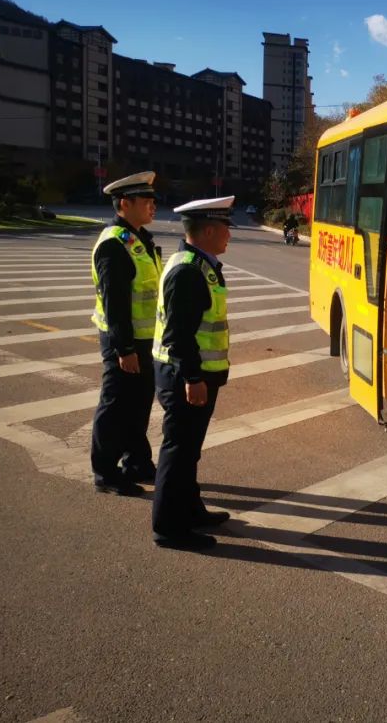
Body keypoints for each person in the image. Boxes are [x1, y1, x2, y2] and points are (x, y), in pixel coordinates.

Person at [151, 196, 235, 551]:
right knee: (179, 449)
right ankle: (170, 529)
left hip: (195, 374)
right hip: (185, 376)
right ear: (210, 230)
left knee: (189, 450)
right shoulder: (188, 270)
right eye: (227, 228)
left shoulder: (198, 263)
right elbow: (178, 334)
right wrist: (192, 378)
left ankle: (190, 509)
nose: (230, 235)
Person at [90, 171, 162, 496]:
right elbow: (115, 302)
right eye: (145, 200)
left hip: (146, 340)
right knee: (116, 404)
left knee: (139, 403)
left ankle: (137, 462)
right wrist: (124, 348)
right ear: (124, 203)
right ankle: (105, 471)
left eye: (152, 199)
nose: (152, 205)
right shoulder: (113, 245)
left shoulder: (138, 238)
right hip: (125, 341)